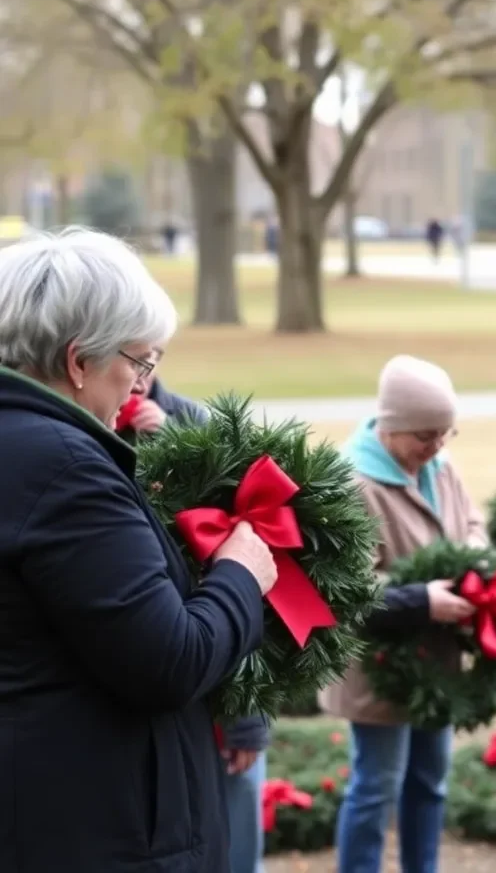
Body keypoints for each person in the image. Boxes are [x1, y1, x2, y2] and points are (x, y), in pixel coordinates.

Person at [0, 228, 277, 873]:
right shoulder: (64, 466)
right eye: (139, 361)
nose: (141, 385)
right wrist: (240, 574)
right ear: (78, 361)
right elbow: (168, 661)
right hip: (98, 828)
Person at [319, 355, 487, 873]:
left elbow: (473, 521)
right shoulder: (352, 484)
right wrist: (420, 601)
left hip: (435, 662)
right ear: (391, 427)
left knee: (430, 782)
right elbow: (345, 590)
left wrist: (477, 557)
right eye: (425, 435)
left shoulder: (440, 464)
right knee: (376, 789)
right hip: (380, 670)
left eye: (445, 433)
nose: (436, 446)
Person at [117, 360, 270, 873]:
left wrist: (248, 722)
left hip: (218, 657)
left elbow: (250, 566)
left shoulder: (192, 423)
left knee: (238, 809)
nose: (140, 376)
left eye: (151, 359)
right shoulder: (85, 439)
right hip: (159, 676)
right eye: (134, 356)